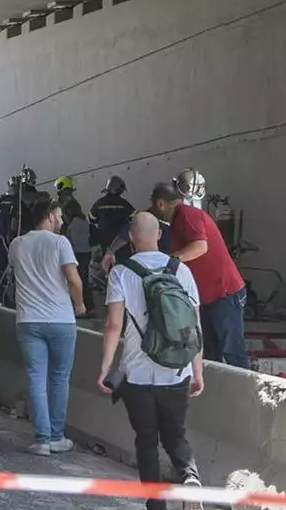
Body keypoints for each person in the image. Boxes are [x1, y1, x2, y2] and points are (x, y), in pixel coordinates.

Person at [98, 212, 204, 509]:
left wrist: (106, 367)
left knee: (146, 440)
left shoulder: (121, 272)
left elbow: (114, 326)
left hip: (138, 374)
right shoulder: (181, 270)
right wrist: (198, 370)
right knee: (176, 437)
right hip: (177, 370)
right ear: (160, 236)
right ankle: (189, 475)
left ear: (131, 237)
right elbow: (194, 328)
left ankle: (156, 506)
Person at [140, 182, 248, 369]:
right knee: (210, 352)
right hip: (208, 296)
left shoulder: (188, 215)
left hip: (224, 293)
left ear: (160, 204)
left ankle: (243, 395)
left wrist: (170, 262)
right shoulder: (177, 223)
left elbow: (200, 246)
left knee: (232, 352)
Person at [8, 201, 86, 455]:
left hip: (29, 320)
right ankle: (56, 436)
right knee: (60, 378)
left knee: (36, 379)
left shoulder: (17, 244)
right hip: (61, 320)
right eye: (60, 216)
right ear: (50, 216)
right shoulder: (59, 243)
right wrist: (80, 304)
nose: (62, 221)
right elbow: (73, 279)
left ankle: (41, 440)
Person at [63, 199, 95, 315]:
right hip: (86, 252)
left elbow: (74, 240)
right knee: (84, 280)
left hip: (77, 253)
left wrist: (67, 239)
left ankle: (83, 307)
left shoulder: (75, 222)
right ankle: (89, 306)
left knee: (78, 281)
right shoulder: (84, 220)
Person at [90, 175, 135, 254]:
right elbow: (135, 219)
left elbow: (91, 219)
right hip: (121, 242)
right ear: (119, 189)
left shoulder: (99, 203)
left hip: (104, 242)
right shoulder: (124, 204)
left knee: (106, 263)